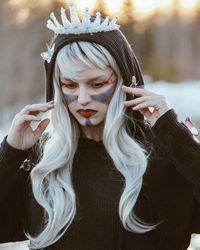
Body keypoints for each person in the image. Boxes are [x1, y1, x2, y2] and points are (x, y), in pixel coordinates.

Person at [0, 3, 200, 250]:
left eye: (97, 84)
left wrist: (173, 133)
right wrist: (10, 154)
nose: (83, 98)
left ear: (124, 83)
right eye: (70, 85)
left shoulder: (161, 156)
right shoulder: (42, 162)